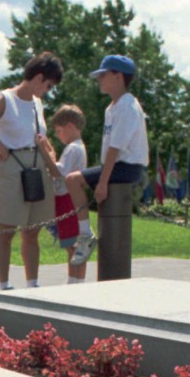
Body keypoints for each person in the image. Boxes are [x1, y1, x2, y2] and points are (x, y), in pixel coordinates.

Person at [0, 52, 64, 290]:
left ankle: (32, 283)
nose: (48, 91)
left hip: (38, 163)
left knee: (32, 231)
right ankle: (4, 284)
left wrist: (50, 155)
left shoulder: (37, 103)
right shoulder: (5, 99)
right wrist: (0, 147)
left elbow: (41, 135)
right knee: (7, 229)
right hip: (13, 163)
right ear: (39, 78)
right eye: (48, 86)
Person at [64, 55, 148, 268]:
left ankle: (85, 234)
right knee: (74, 180)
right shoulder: (113, 107)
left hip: (126, 167)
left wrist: (102, 182)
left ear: (118, 77)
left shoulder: (127, 105)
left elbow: (115, 148)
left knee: (73, 180)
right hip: (116, 166)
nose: (99, 79)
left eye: (103, 75)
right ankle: (86, 233)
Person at [36, 105, 90, 283]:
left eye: (60, 131)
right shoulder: (75, 148)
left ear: (70, 126)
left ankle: (76, 281)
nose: (59, 136)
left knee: (74, 246)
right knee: (70, 245)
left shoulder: (73, 148)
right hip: (65, 200)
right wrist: (49, 148)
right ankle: (73, 280)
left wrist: (43, 151)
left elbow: (58, 171)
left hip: (67, 200)